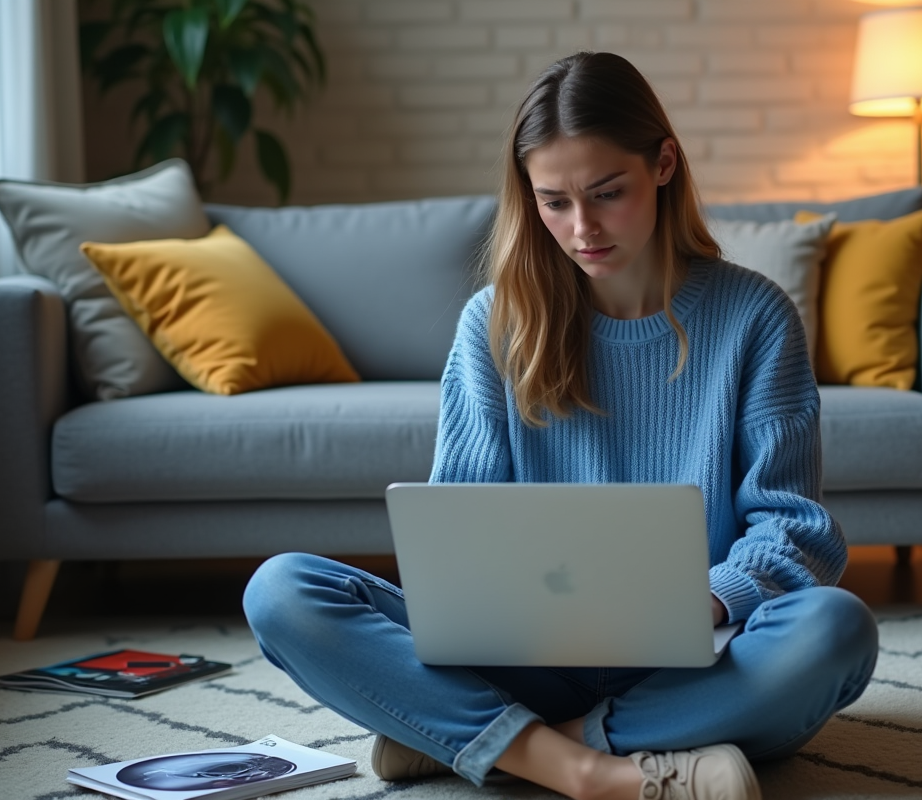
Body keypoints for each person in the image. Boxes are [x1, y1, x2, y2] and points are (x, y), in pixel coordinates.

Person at [243, 51, 879, 800]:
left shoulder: (756, 316)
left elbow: (794, 527)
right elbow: (459, 530)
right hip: (524, 662)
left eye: (608, 193)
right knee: (281, 591)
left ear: (663, 164)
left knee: (836, 631)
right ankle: (586, 768)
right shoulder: (494, 324)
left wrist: (705, 601)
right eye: (554, 202)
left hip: (695, 660)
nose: (583, 229)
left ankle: (489, 742)